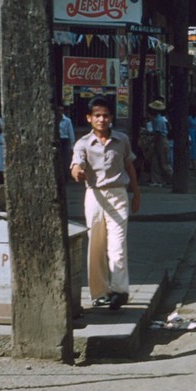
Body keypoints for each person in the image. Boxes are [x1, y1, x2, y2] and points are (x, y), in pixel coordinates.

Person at [71, 96, 141, 310]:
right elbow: (76, 165)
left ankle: (120, 291)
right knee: (96, 245)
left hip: (118, 195)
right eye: (97, 115)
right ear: (89, 118)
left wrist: (136, 193)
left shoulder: (122, 140)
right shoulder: (83, 143)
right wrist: (78, 172)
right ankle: (100, 293)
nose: (101, 119)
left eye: (105, 115)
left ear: (111, 117)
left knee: (117, 247)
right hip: (94, 196)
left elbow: (129, 166)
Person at [143, 99, 172, 186]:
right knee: (155, 161)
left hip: (161, 141)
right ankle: (156, 180)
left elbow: (158, 134)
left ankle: (170, 179)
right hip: (159, 141)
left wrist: (152, 142)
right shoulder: (157, 119)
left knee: (164, 162)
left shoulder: (159, 120)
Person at [57, 105, 76, 173]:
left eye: (61, 110)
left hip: (64, 140)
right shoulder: (55, 120)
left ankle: (66, 174)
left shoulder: (67, 120)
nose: (60, 112)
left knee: (65, 159)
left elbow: (70, 132)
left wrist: (72, 145)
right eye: (58, 110)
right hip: (57, 140)